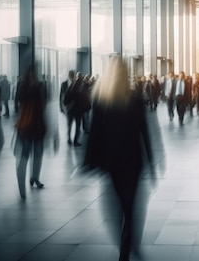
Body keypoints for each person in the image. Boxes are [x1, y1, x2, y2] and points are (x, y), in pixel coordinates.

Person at [84, 56, 156, 261]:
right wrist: (151, 161)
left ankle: (124, 243)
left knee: (119, 205)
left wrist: (89, 161)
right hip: (133, 161)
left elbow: (94, 132)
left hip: (111, 161)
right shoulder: (135, 99)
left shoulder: (101, 99)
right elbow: (144, 132)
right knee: (130, 206)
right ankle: (127, 246)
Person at [15, 66, 47, 198]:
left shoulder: (40, 86)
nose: (34, 77)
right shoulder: (24, 87)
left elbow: (44, 103)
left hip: (36, 124)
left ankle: (35, 177)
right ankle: (23, 187)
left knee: (38, 153)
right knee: (25, 154)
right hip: (27, 125)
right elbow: (19, 101)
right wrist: (32, 89)